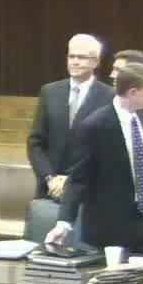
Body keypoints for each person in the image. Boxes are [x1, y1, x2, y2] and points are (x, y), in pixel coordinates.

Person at [46, 60, 143, 252]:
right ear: (133, 92)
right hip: (113, 226)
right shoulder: (94, 126)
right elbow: (78, 179)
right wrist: (64, 223)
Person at [27, 34, 116, 200]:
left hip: (88, 193)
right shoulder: (49, 92)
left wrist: (71, 181)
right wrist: (49, 177)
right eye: (71, 56)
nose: (75, 61)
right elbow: (35, 142)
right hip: (49, 189)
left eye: (81, 57)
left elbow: (108, 150)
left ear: (96, 62)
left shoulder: (110, 97)